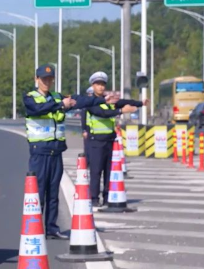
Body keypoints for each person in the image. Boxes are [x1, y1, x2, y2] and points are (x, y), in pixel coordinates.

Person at [23, 64, 116, 239]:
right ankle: (35, 227)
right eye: (43, 79)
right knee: (38, 192)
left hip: (56, 152)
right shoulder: (30, 98)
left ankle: (51, 227)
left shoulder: (58, 97)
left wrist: (102, 100)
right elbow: (37, 110)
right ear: (36, 80)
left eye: (50, 79)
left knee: (53, 193)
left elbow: (82, 101)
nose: (47, 82)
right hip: (39, 153)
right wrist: (60, 105)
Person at [84, 71, 146, 207]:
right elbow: (102, 113)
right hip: (96, 141)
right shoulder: (90, 102)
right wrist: (121, 111)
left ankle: (107, 197)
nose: (101, 87)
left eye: (103, 84)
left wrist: (140, 103)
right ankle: (94, 198)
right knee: (96, 171)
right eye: (98, 84)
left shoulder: (108, 100)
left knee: (109, 171)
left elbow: (123, 102)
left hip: (109, 140)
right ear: (93, 86)